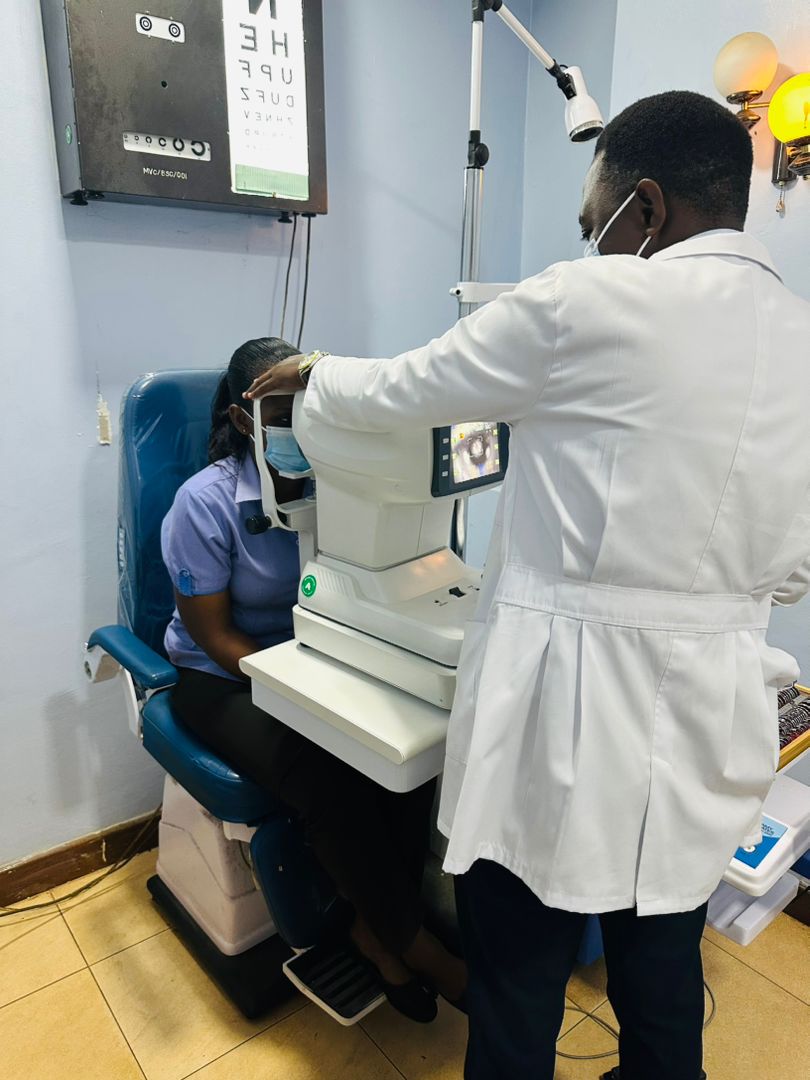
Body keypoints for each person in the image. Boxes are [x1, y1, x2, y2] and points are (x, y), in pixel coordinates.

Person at [244, 91, 810, 1079]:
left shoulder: (588, 300)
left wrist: (311, 374)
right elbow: (795, 570)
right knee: (664, 977)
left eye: (593, 222)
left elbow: (408, 388)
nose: (590, 241)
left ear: (645, 206)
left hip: (566, 717)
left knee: (518, 993)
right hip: (710, 718)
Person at [161, 336, 467, 1023]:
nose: (313, 424)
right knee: (322, 768)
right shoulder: (203, 504)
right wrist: (304, 691)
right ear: (246, 419)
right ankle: (411, 946)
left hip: (312, 660)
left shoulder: (343, 487)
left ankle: (377, 923)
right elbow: (212, 637)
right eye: (293, 410)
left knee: (400, 752)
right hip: (223, 676)